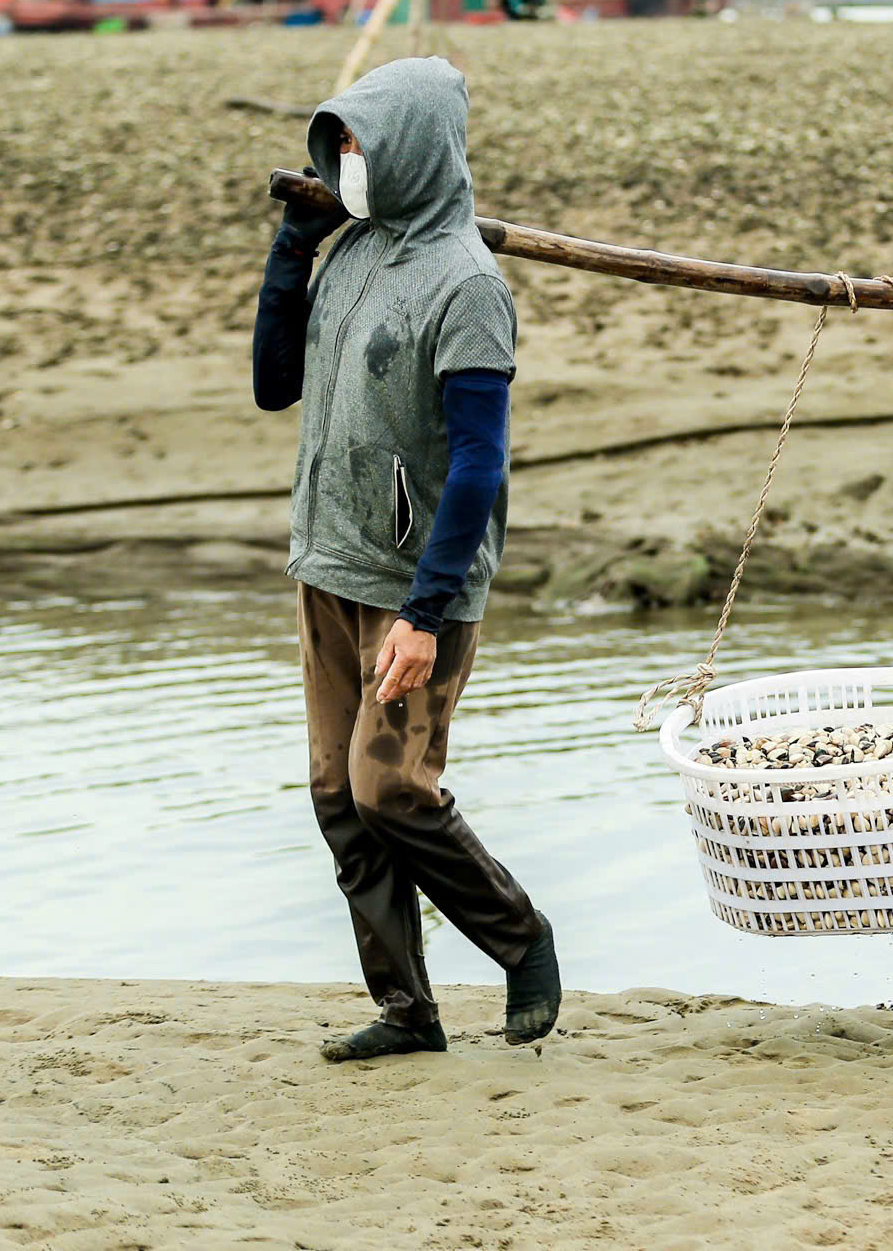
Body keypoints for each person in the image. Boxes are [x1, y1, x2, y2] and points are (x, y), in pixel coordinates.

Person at [252, 56, 560, 1062]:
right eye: (336, 144)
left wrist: (426, 611)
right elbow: (272, 384)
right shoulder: (348, 254)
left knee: (392, 789)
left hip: (414, 586)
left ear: (414, 150)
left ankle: (522, 941)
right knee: (337, 798)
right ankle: (406, 1008)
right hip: (327, 566)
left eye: (362, 145)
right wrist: (292, 253)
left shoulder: (469, 285)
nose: (347, 161)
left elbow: (478, 461)